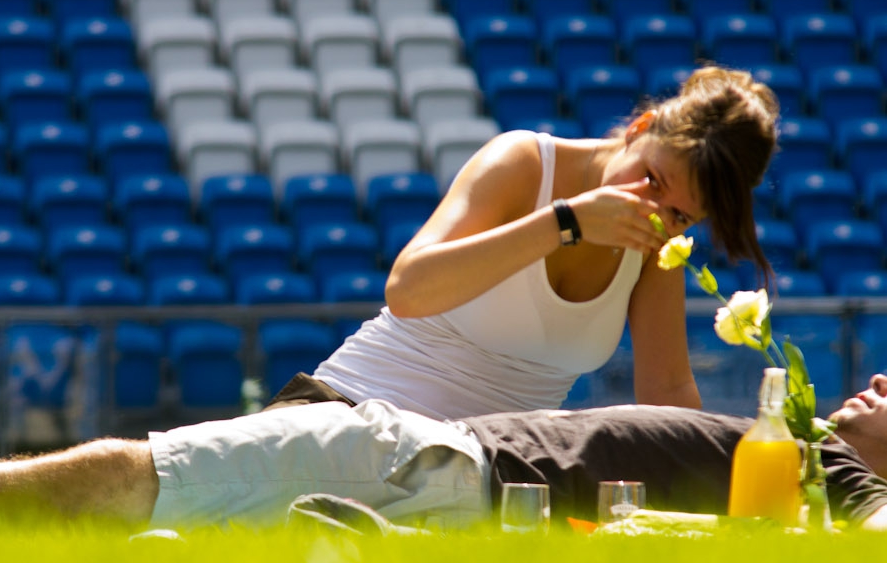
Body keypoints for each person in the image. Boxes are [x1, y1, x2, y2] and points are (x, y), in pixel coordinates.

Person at [0, 351, 887, 538]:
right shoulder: (795, 444)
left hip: (443, 474)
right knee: (126, 512)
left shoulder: (838, 478)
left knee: (124, 474)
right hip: (438, 479)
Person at [267, 66, 780, 420]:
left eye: (679, 213)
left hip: (471, 467)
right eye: (651, 177)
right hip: (348, 409)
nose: (651, 206)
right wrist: (564, 222)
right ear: (639, 128)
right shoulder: (524, 162)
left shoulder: (658, 242)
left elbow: (666, 392)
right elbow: (408, 290)